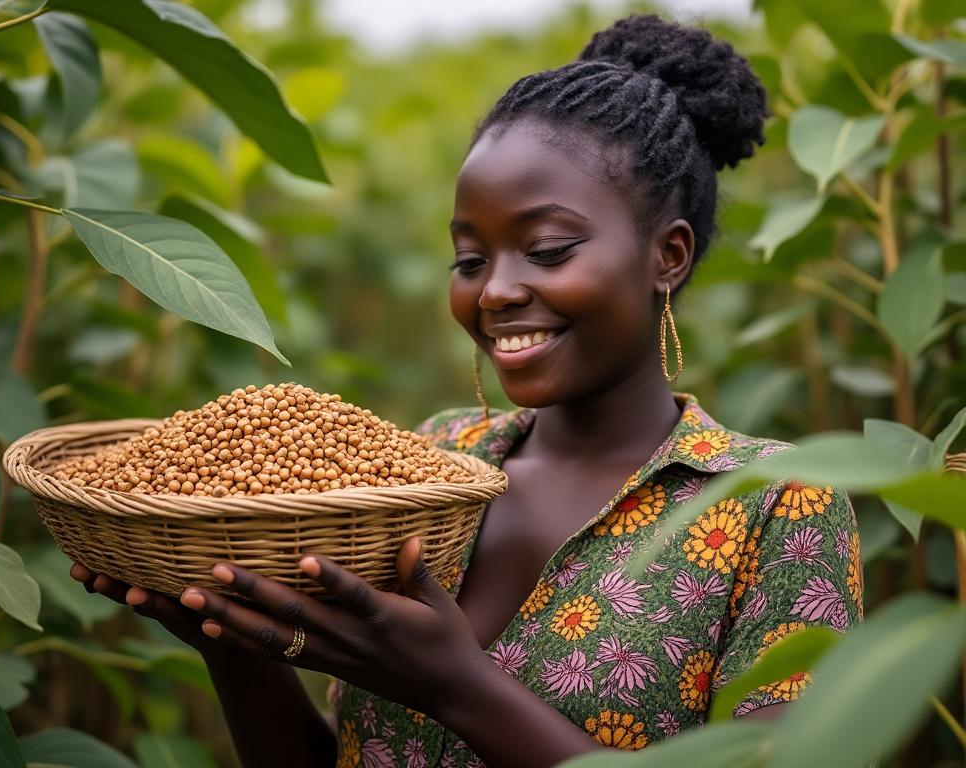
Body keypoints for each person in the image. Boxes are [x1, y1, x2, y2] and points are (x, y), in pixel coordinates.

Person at [70, 13, 863, 768]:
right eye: (470, 259)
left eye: (547, 250)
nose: (494, 293)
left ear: (670, 256)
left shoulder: (775, 503)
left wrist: (459, 687)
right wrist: (234, 649)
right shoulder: (431, 465)